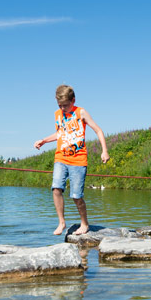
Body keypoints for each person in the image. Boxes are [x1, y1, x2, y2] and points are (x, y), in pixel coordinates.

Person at [33, 85, 109, 236]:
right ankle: (61, 222)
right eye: (60, 105)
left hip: (78, 160)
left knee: (76, 196)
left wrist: (104, 150)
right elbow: (60, 133)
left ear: (73, 100)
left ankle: (84, 223)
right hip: (61, 157)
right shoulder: (58, 114)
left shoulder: (80, 112)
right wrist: (44, 140)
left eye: (65, 105)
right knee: (56, 188)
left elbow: (98, 130)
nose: (63, 108)